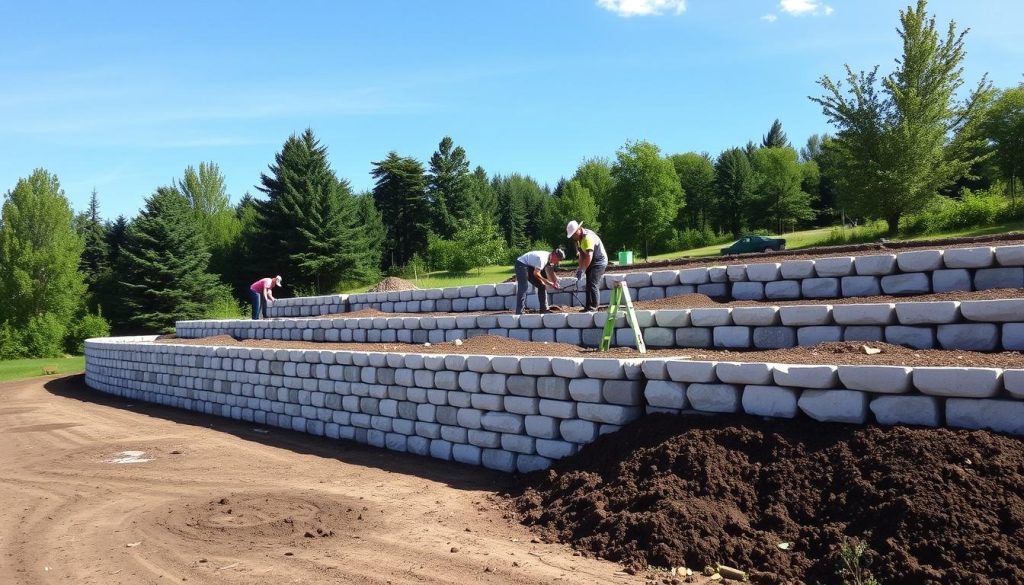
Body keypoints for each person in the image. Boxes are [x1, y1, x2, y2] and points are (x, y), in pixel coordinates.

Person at [566, 220, 607, 312]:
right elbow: (582, 255)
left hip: (599, 261)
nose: (573, 237)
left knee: (593, 283)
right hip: (591, 261)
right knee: (588, 283)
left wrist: (583, 269)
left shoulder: (587, 238)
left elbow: (589, 256)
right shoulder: (578, 240)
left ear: (579, 230)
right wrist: (580, 269)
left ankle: (594, 306)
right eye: (572, 235)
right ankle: (588, 306)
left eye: (574, 234)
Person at [513, 247, 565, 315]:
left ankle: (544, 309)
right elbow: (536, 273)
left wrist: (555, 283)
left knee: (541, 286)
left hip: (530, 266)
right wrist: (548, 282)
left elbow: (550, 271)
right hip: (521, 264)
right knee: (523, 287)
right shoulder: (542, 259)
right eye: (558, 260)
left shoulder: (549, 258)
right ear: (554, 256)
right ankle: (519, 312)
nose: (558, 262)